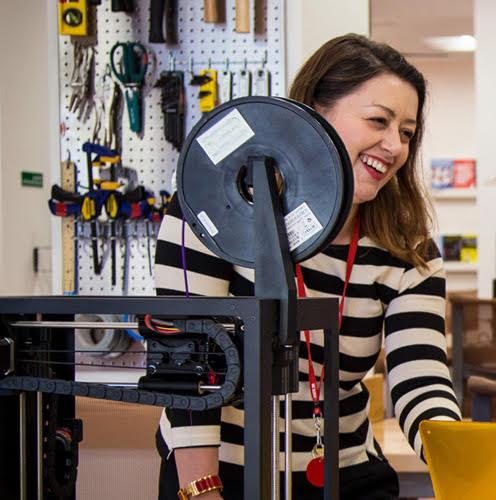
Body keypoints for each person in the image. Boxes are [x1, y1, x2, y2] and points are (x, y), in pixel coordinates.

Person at [153, 34, 461, 499]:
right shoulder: (213, 209)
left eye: (406, 132)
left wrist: (463, 463)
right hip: (221, 473)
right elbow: (186, 365)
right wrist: (202, 488)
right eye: (378, 120)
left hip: (346, 473)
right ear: (315, 109)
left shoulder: (406, 245)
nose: (394, 145)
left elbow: (421, 376)